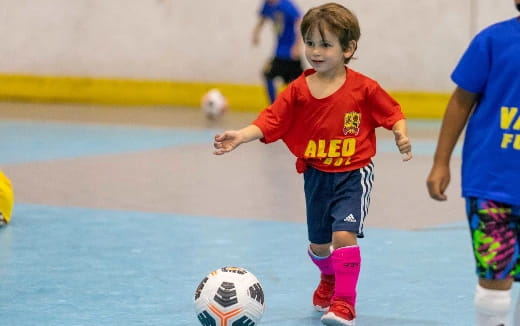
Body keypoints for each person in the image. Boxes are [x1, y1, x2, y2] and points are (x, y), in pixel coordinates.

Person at [215, 3, 412, 325]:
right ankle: (329, 277)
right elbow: (270, 119)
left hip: (353, 172)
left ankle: (345, 303)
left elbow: (393, 113)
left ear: (349, 49)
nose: (315, 51)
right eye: (310, 43)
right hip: (317, 174)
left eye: (325, 44)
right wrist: (241, 135)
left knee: (343, 236)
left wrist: (400, 135)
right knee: (319, 246)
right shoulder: (297, 91)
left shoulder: (364, 88)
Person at [426, 1, 520, 325]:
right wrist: (441, 162)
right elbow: (461, 101)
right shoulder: (492, 41)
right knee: (495, 277)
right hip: (492, 184)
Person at [252, 0, 304, 104]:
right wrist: (256, 33)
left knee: (272, 75)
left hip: (289, 52)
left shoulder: (286, 5)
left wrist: (297, 45)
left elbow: (300, 21)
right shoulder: (267, 5)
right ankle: (277, 106)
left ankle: (277, 107)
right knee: (285, 79)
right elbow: (263, 18)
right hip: (279, 51)